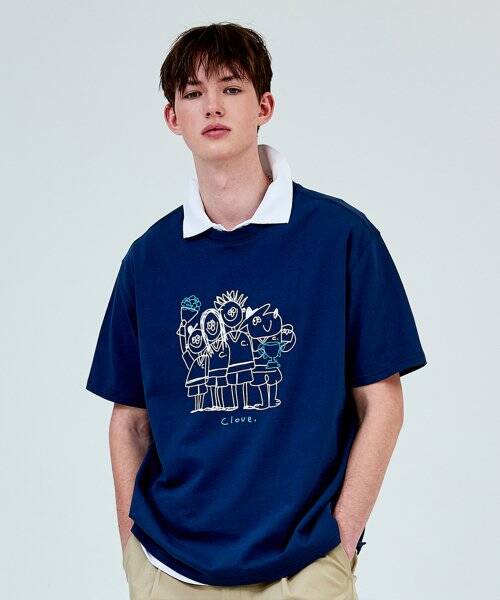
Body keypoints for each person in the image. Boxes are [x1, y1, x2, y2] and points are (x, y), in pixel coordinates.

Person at [85, 21, 427, 600]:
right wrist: (133, 555)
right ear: (172, 117)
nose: (212, 106)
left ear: (264, 105)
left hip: (304, 568)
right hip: (171, 569)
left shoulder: (341, 238)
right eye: (193, 93)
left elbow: (383, 401)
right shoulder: (149, 260)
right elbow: (129, 420)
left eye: (231, 87)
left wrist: (340, 546)